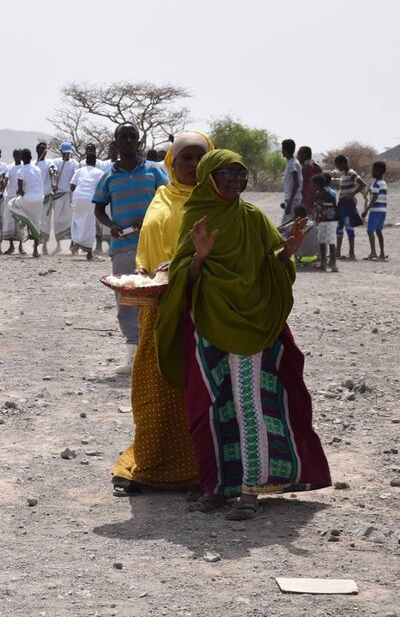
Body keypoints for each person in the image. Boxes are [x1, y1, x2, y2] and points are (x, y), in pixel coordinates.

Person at [156, 149, 330, 520]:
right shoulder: (195, 216)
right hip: (210, 323)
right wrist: (199, 256)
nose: (236, 181)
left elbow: (270, 262)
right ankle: (219, 486)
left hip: (252, 326)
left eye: (241, 174)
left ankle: (251, 490)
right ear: (208, 178)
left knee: (250, 405)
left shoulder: (252, 216)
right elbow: (184, 273)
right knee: (215, 405)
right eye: (228, 174)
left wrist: (288, 253)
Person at [110, 132, 211, 497]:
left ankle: (205, 471)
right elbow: (149, 248)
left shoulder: (217, 201)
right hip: (159, 303)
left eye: (201, 158)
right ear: (172, 161)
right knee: (155, 387)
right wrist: (148, 274)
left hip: (205, 308)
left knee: (199, 388)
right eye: (186, 158)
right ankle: (151, 466)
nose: (193, 165)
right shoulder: (162, 197)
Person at [93, 122, 168, 372]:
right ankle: (133, 355)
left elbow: (167, 200)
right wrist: (111, 224)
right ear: (115, 141)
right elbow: (98, 209)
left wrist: (149, 217)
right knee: (126, 297)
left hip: (154, 245)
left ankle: (158, 355)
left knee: (157, 297)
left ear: (138, 142)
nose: (127, 140)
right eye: (122, 136)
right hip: (123, 245)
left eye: (131, 136)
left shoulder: (154, 171)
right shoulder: (108, 176)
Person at [70, 147, 104, 260]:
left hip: (77, 197)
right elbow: (102, 188)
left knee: (77, 221)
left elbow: (72, 186)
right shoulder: (99, 172)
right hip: (89, 198)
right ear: (95, 162)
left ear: (86, 161)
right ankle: (89, 253)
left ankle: (76, 242)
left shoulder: (79, 171)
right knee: (89, 225)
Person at [10, 149, 44, 257]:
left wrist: (19, 191)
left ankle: (24, 219)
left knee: (11, 204)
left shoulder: (20, 171)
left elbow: (20, 191)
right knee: (36, 223)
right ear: (30, 157)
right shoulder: (37, 169)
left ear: (21, 159)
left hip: (27, 200)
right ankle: (35, 251)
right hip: (39, 200)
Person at [333, 154, 366, 261]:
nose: (337, 167)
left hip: (347, 204)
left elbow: (362, 184)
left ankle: (351, 253)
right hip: (342, 204)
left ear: (344, 163)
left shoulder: (352, 173)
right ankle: (337, 252)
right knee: (339, 227)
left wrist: (351, 195)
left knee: (348, 227)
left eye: (338, 165)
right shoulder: (343, 174)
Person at [52, 141, 77, 252]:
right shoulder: (56, 162)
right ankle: (58, 245)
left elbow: (75, 177)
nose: (66, 155)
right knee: (57, 220)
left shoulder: (74, 163)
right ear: (61, 152)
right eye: (64, 153)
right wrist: (54, 180)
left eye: (68, 153)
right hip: (59, 194)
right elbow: (53, 172)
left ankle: (72, 243)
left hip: (70, 194)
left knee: (71, 219)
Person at [313, 173, 339, 272]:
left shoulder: (328, 194)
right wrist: (317, 219)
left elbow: (327, 207)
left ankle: (333, 263)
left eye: (313, 184)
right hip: (322, 220)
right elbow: (316, 208)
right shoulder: (317, 194)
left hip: (331, 221)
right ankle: (323, 263)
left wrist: (319, 209)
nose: (312, 186)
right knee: (322, 241)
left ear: (318, 184)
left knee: (331, 242)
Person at [363, 161, 387, 260]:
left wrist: (366, 210)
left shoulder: (377, 183)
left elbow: (374, 198)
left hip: (376, 210)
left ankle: (373, 252)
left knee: (370, 231)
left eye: (374, 170)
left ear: (380, 171)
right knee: (378, 231)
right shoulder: (383, 183)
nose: (372, 171)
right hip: (383, 210)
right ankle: (381, 253)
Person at [1, 149, 23, 254]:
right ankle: (11, 246)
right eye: (15, 154)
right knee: (9, 222)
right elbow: (6, 178)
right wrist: (2, 189)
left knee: (21, 222)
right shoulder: (10, 167)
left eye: (18, 154)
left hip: (21, 197)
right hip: (10, 197)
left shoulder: (24, 166)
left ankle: (21, 246)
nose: (16, 156)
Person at [279, 139, 301, 222]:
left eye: (282, 149)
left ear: (285, 150)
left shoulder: (292, 164)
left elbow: (296, 184)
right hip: (290, 199)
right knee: (284, 225)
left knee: (290, 226)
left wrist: (290, 204)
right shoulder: (292, 163)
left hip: (293, 200)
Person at [299, 145, 319, 211]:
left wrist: (308, 204)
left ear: (306, 155)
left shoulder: (309, 168)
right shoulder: (308, 166)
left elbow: (310, 188)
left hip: (309, 204)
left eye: (300, 154)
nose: (298, 156)